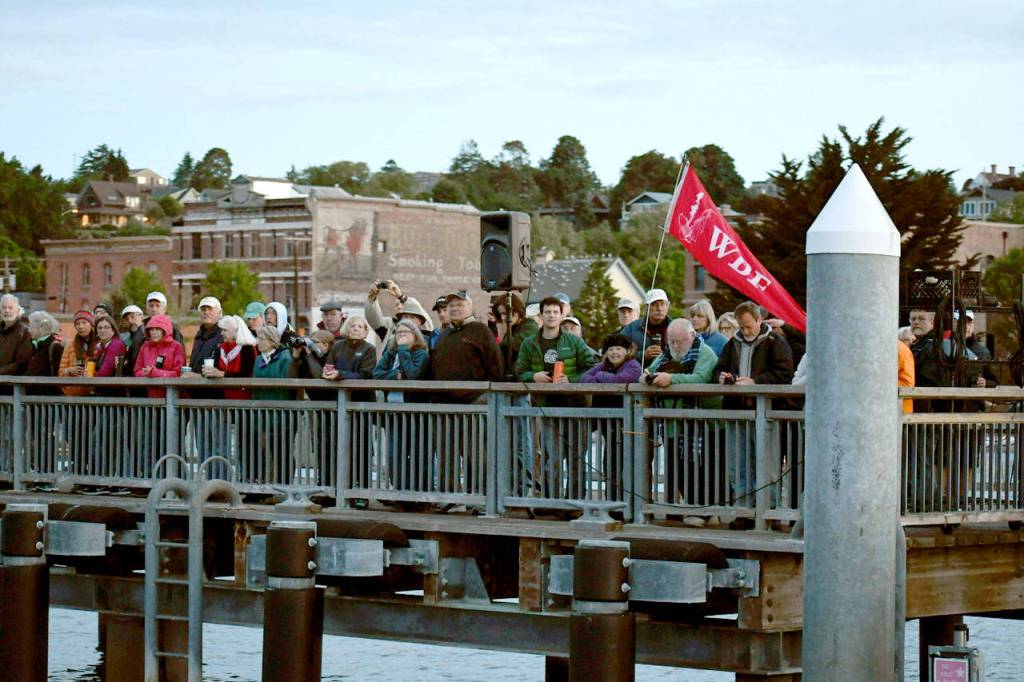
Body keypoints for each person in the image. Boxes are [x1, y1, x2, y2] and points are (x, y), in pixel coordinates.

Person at [713, 301, 794, 516]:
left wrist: (755, 381)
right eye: (742, 327)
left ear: (759, 320)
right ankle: (743, 512)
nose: (745, 331)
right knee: (738, 466)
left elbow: (784, 374)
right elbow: (718, 369)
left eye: (748, 326)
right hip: (737, 412)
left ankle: (768, 512)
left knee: (767, 467)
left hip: (767, 413)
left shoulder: (777, 342)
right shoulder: (732, 344)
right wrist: (722, 377)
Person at [514, 296, 595, 498]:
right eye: (547, 312)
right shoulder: (529, 343)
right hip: (547, 406)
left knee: (577, 459)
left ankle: (575, 503)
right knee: (553, 458)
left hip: (576, 406)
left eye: (555, 312)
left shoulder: (574, 341)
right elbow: (518, 370)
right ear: (540, 316)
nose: (551, 315)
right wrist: (532, 376)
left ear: (562, 315)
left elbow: (591, 367)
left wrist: (572, 379)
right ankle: (552, 501)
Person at [430, 291, 504, 494]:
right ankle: (451, 496)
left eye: (459, 305)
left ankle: (480, 496)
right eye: (451, 305)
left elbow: (496, 366)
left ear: (470, 307)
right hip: (444, 404)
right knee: (447, 454)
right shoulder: (445, 335)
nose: (454, 308)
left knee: (476, 453)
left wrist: (486, 394)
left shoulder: (480, 330)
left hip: (475, 401)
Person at [648, 318, 723, 509]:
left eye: (679, 341)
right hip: (674, 423)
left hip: (703, 424)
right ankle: (688, 507)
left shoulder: (705, 353)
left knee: (700, 469)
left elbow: (701, 378)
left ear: (691, 336)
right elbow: (651, 369)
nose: (675, 345)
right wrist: (645, 375)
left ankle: (704, 509)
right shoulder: (667, 354)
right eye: (671, 341)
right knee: (678, 469)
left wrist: (671, 379)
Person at [581, 332, 642, 500]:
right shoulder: (605, 365)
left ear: (627, 351)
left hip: (626, 423)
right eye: (611, 349)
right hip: (607, 423)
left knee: (622, 462)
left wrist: (600, 378)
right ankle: (612, 500)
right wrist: (605, 378)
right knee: (610, 462)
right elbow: (584, 379)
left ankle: (625, 502)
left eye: (619, 349)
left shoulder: (633, 365)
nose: (615, 353)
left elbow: (623, 380)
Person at [373, 320, 430, 489]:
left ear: (415, 335)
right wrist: (396, 375)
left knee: (416, 454)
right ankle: (399, 489)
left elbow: (412, 376)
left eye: (406, 332)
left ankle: (417, 491)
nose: (401, 335)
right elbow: (377, 374)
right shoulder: (390, 353)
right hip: (393, 412)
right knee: (394, 455)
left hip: (414, 412)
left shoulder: (421, 354)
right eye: (398, 333)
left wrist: (404, 350)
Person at [252, 325, 293, 484]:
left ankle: (282, 485)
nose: (258, 342)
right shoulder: (258, 359)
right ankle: (266, 484)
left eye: (261, 339)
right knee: (263, 451)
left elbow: (287, 385)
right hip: (261, 413)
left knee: (280, 452)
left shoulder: (285, 358)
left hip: (280, 412)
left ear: (271, 340)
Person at [203, 315, 258, 400]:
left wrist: (221, 374)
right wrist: (208, 371)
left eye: (225, 330)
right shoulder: (220, 348)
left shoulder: (247, 348)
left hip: (243, 398)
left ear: (236, 331)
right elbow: (216, 370)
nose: (221, 333)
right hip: (222, 397)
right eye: (222, 330)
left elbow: (247, 374)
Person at [622, 289, 673, 369]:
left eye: (662, 304)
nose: (659, 308)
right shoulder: (631, 329)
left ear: (668, 306)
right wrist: (643, 355)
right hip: (638, 376)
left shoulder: (676, 327)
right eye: (654, 304)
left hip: (669, 376)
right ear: (646, 308)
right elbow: (618, 353)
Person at [59, 310, 98, 397]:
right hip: (73, 393)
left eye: (84, 323)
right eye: (78, 324)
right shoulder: (70, 345)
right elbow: (61, 371)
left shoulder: (99, 343)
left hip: (94, 392)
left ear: (91, 324)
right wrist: (69, 371)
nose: (81, 326)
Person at [25, 311, 63, 392]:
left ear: (41, 327)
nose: (29, 330)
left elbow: (58, 374)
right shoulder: (32, 345)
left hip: (47, 398)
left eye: (31, 327)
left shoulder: (55, 347)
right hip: (29, 397)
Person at [0, 293, 32, 378]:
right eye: (4, 307)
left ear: (17, 311)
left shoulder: (24, 332)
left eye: (10, 308)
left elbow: (22, 362)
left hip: (12, 385)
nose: (7, 310)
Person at [92, 314, 128, 379]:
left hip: (114, 387)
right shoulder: (101, 347)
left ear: (113, 331)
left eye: (106, 327)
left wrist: (90, 375)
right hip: (103, 385)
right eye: (100, 328)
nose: (102, 330)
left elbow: (105, 373)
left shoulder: (116, 345)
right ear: (96, 332)